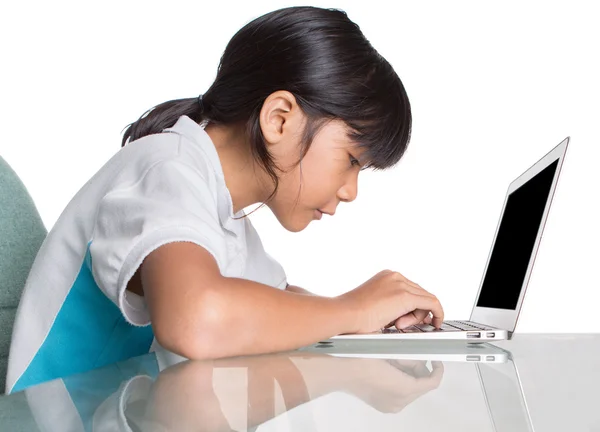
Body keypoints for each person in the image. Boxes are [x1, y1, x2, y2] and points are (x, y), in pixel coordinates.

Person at [5, 6, 444, 394]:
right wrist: (352, 309)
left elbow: (272, 305)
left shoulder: (220, 213)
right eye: (350, 160)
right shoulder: (167, 168)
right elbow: (198, 320)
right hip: (41, 418)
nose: (350, 190)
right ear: (279, 119)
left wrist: (372, 323)